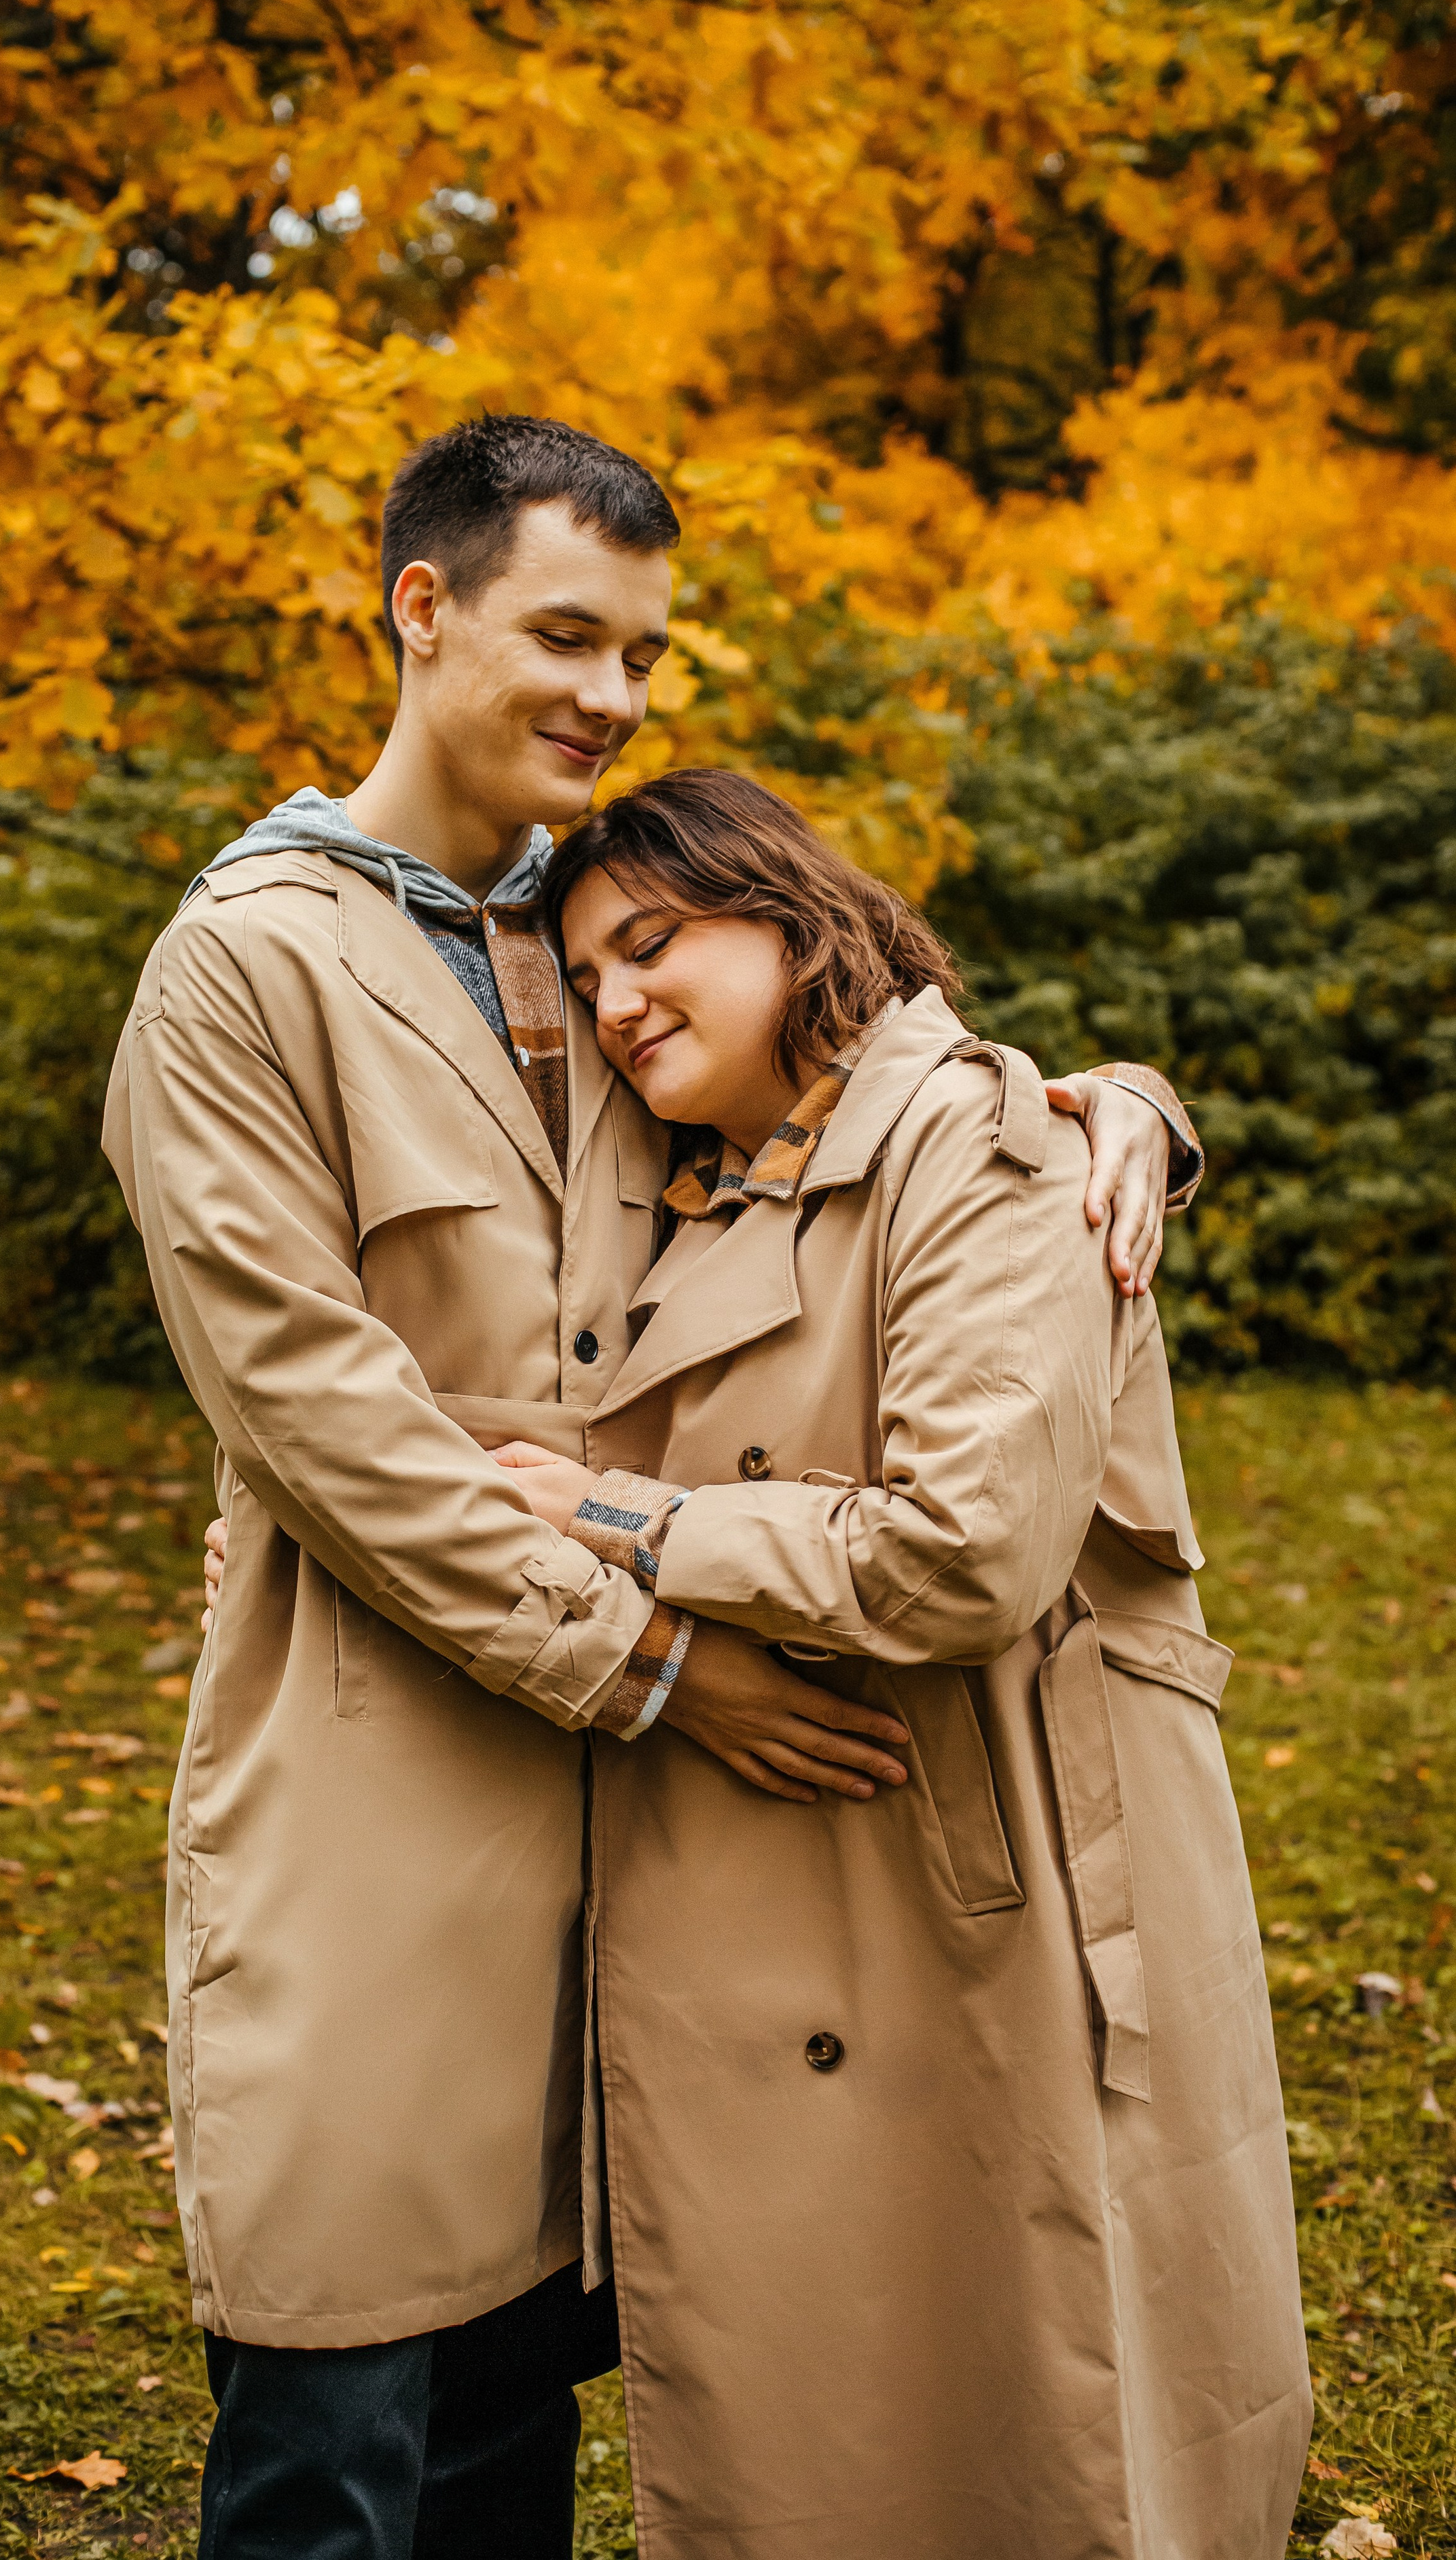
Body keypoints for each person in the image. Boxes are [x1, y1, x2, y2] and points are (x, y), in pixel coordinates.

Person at [109, 412, 1198, 2560]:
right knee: (340, 2450)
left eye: (641, 655)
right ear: (422, 611)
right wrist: (657, 1667)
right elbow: (328, 1428)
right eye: (567, 636)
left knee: (519, 2449)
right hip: (385, 1809)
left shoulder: (595, 939)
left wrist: (1110, 1106)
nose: (610, 699)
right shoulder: (243, 971)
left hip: (652, 1884)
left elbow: (852, 1114)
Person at [476, 769, 1309, 2559]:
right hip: (802, 1865)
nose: (618, 1005)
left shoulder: (990, 1143)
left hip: (982, 1864)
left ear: (787, 920)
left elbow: (960, 1555)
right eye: (590, 976)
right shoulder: (700, 1175)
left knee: (1032, 2392)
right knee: (839, 2400)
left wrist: (618, 1526)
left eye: (653, 944)